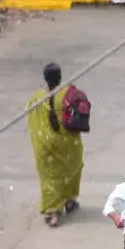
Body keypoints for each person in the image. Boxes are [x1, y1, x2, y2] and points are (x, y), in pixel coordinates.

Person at [25, 63, 84, 228]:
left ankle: (53, 213)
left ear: (45, 78)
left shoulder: (37, 98)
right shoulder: (69, 93)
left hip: (46, 144)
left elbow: (30, 115)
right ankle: (70, 201)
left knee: (50, 177)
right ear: (60, 77)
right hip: (68, 143)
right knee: (71, 170)